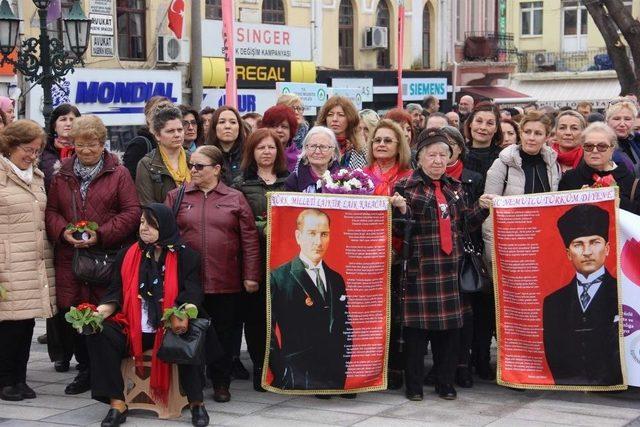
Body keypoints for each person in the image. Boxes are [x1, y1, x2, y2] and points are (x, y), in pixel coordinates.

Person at [390, 128, 494, 401]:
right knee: (415, 333)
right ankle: (413, 386)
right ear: (420, 158)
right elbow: (400, 231)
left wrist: (481, 208)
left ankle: (445, 382)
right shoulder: (404, 187)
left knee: (449, 333)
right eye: (431, 155)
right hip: (419, 268)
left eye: (442, 155)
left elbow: (464, 225)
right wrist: (401, 210)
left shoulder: (456, 188)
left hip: (451, 269)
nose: (437, 160)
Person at [88, 204, 209, 427]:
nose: (144, 228)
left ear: (164, 226)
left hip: (168, 325)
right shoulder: (128, 254)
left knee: (188, 333)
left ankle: (196, 402)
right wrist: (97, 314)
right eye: (142, 222)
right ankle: (117, 403)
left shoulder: (186, 256)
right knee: (99, 332)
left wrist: (181, 312)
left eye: (151, 224)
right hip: (134, 326)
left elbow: (193, 293)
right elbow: (114, 292)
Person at [45, 115, 141, 395]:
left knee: (104, 315)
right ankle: (84, 370)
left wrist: (101, 234)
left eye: (92, 144)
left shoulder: (118, 172)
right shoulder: (61, 173)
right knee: (74, 313)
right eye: (80, 144)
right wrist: (63, 231)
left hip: (105, 256)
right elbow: (51, 212)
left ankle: (106, 371)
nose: (86, 150)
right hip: (70, 257)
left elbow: (132, 212)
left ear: (103, 144)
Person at [166, 145, 260, 403]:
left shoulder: (235, 197)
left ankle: (221, 382)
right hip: (188, 282)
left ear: (217, 169)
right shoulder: (177, 197)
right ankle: (192, 383)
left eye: (199, 166)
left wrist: (251, 275)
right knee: (190, 332)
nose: (193, 170)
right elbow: (166, 238)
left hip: (226, 280)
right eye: (191, 165)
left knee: (225, 335)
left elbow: (249, 239)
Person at [0, 120, 56, 402]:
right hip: (7, 261)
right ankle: (6, 380)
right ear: (10, 146)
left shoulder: (37, 176)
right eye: (27, 149)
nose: (32, 156)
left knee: (26, 324)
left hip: (34, 260)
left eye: (37, 150)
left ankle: (19, 378)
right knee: (8, 325)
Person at [269, 209, 352, 390]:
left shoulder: (336, 279)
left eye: (324, 234)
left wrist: (343, 369)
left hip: (334, 375)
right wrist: (280, 370)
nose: (318, 242)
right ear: (298, 236)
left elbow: (345, 326)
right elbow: (268, 329)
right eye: (312, 234)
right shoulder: (279, 277)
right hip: (296, 374)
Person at [233, 128, 289, 391]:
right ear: (251, 152)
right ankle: (259, 367)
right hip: (254, 259)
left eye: (271, 147)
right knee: (255, 318)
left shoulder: (291, 181)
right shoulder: (240, 184)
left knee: (283, 316)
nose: (266, 152)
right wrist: (261, 228)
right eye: (260, 148)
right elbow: (236, 224)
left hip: (285, 260)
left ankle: (281, 366)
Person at [543, 204, 623, 386]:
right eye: (578, 244)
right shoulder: (553, 302)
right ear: (568, 253)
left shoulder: (623, 292)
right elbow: (554, 352)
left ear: (608, 248)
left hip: (613, 387)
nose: (587, 252)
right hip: (567, 388)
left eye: (595, 242)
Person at [441, 125, 485, 389]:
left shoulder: (473, 178)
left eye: (450, 145)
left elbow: (475, 218)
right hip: (437, 254)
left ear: (459, 148)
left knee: (465, 314)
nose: (444, 151)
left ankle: (462, 364)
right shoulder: (421, 178)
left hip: (465, 251)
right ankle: (442, 364)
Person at [559, 122, 640, 212]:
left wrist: (614, 198)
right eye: (589, 146)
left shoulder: (630, 180)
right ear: (582, 147)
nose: (594, 151)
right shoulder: (570, 178)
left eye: (602, 146)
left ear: (612, 148)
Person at [136, 106, 190, 206]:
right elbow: (148, 205)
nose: (177, 134)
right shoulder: (146, 164)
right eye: (170, 131)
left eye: (180, 130)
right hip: (163, 220)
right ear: (157, 135)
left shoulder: (194, 159)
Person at [123, 96, 171, 178]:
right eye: (159, 113)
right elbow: (129, 180)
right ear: (149, 118)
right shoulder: (140, 144)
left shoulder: (174, 142)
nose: (165, 118)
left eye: (170, 113)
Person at [363, 119, 412, 196]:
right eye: (377, 140)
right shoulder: (361, 175)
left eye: (388, 141)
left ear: (399, 146)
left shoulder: (410, 177)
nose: (381, 144)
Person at [284, 126, 341, 193]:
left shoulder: (344, 179)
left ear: (333, 152)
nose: (317, 152)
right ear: (305, 149)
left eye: (323, 147)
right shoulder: (293, 180)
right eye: (313, 146)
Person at [316, 96, 366, 169]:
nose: (334, 119)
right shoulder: (313, 147)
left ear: (350, 119)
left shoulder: (361, 151)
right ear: (324, 119)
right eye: (330, 115)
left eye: (341, 115)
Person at [40, 103, 81, 192]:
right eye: (63, 119)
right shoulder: (42, 150)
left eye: (72, 120)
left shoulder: (84, 151)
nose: (68, 124)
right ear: (54, 126)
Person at [206, 106, 248, 185]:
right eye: (222, 122)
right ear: (214, 127)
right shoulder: (204, 155)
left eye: (233, 122)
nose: (227, 126)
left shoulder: (250, 155)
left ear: (239, 127)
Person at [464, 101, 503, 177]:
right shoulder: (459, 154)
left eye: (490, 123)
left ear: (496, 128)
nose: (483, 127)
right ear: (470, 124)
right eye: (479, 121)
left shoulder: (503, 157)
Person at [260, 104, 299, 172]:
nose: (279, 130)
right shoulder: (257, 154)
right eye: (274, 126)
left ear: (291, 130)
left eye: (284, 127)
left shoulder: (300, 159)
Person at [606, 99, 640, 175]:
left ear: (634, 121)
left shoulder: (636, 141)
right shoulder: (599, 146)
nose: (622, 124)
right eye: (617, 119)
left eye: (627, 119)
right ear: (607, 121)